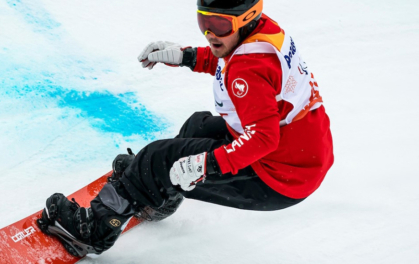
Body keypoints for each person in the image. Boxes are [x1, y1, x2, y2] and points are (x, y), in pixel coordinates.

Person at [37, 0, 334, 257]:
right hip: (297, 159)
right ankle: (155, 191)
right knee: (197, 125)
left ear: (246, 19)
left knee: (158, 160)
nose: (210, 33)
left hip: (276, 177)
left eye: (218, 24)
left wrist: (205, 164)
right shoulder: (259, 31)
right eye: (203, 20)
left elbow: (263, 137)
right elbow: (230, 62)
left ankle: (93, 230)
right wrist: (186, 56)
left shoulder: (249, 69)